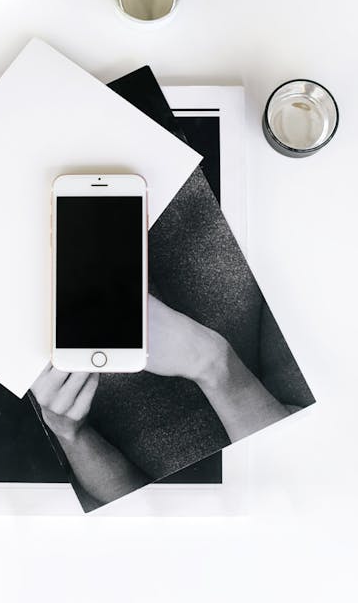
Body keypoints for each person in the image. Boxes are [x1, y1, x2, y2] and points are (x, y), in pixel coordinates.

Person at [31, 170, 314, 510]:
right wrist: (213, 363)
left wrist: (68, 432)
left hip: (76, 385)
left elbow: (120, 508)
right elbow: (303, 467)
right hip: (223, 191)